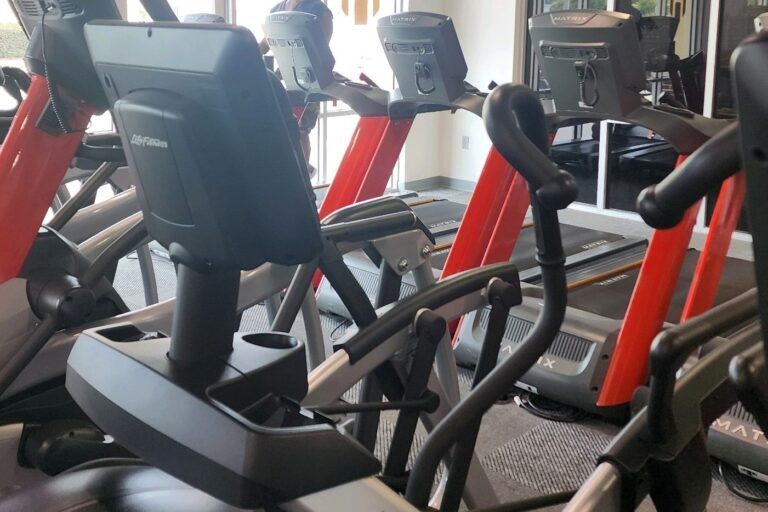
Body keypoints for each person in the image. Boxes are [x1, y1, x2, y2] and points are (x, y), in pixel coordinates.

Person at [260, 0, 334, 179]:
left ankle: (303, 180)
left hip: (308, 78)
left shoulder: (318, 10)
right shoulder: (276, 10)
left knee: (300, 130)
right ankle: (292, 176)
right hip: (283, 77)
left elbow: (322, 51)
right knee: (281, 130)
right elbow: (264, 44)